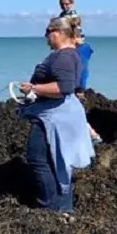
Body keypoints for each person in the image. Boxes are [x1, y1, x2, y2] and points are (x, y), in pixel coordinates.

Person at [18, 16, 95, 214]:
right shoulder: (70, 54)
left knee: (38, 159)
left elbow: (64, 87)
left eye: (47, 32)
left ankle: (50, 207)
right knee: (58, 161)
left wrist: (34, 87)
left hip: (54, 117)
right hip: (58, 114)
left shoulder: (64, 56)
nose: (45, 37)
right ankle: (63, 209)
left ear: (58, 33)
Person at [69, 15, 102, 144]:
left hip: (75, 84)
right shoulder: (86, 48)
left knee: (74, 111)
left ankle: (92, 135)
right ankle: (89, 135)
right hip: (80, 84)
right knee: (75, 110)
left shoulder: (76, 51)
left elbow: (78, 69)